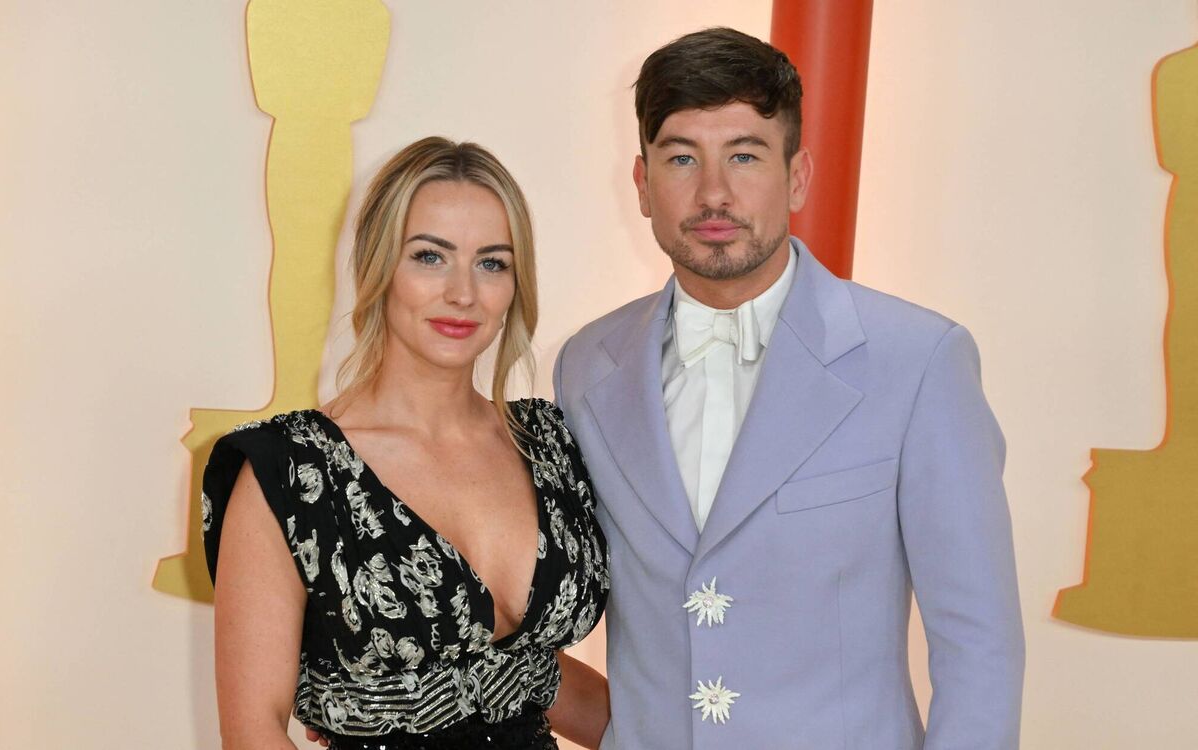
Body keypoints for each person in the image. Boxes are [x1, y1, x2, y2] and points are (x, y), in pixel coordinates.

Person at [552, 27, 1025, 749]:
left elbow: (979, 647)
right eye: (682, 158)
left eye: (744, 155)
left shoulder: (920, 361)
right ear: (642, 185)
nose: (714, 192)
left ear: (797, 176)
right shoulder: (585, 365)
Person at [202, 137, 610, 750]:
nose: (463, 293)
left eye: (492, 263)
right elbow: (252, 732)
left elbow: (536, 678)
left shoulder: (550, 442)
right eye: (430, 256)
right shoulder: (290, 470)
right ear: (378, 265)